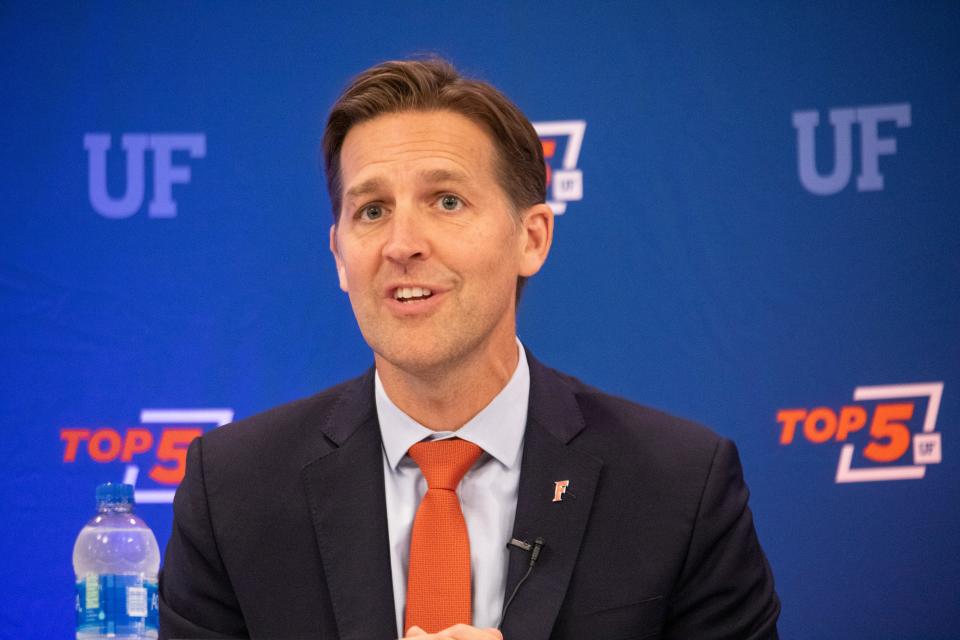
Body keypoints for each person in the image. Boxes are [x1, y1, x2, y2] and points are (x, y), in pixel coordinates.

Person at [159, 57, 780, 640]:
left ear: (531, 239)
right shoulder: (234, 492)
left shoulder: (678, 485)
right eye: (371, 210)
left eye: (447, 201)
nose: (402, 243)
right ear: (339, 258)